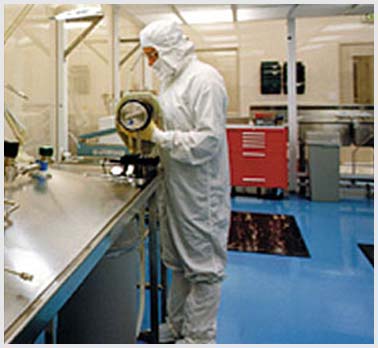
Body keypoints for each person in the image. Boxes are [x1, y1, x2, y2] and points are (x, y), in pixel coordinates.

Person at [134, 20, 231, 344]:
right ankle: (178, 330)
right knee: (177, 262)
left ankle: (200, 338)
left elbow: (208, 141)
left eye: (153, 55)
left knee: (203, 268)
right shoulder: (172, 83)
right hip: (176, 186)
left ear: (169, 49)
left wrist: (160, 137)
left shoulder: (204, 80)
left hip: (201, 191)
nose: (151, 63)